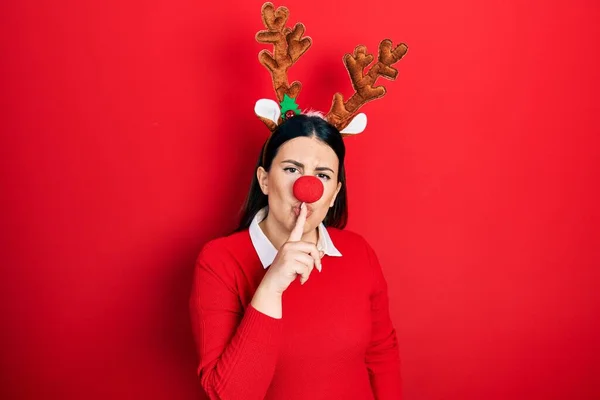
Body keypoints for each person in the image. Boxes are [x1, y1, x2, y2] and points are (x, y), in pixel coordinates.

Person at [189, 113, 403, 399]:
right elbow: (230, 395)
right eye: (292, 169)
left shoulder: (358, 252)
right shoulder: (219, 260)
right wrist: (272, 284)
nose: (307, 189)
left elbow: (381, 354)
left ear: (334, 193)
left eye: (323, 176)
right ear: (264, 180)